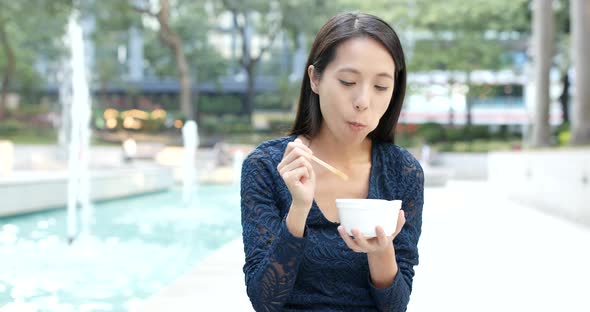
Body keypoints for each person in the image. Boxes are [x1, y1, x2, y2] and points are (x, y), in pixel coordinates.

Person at [240, 12, 424, 312]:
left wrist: (381, 251)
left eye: (380, 87)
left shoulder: (402, 173)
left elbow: (395, 306)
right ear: (315, 78)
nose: (363, 101)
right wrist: (298, 209)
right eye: (348, 81)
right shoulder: (267, 166)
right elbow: (265, 300)